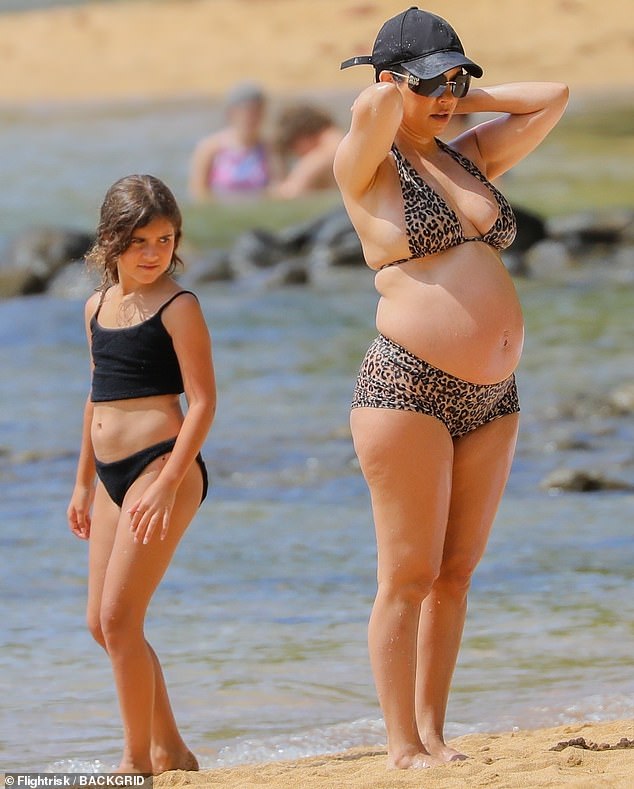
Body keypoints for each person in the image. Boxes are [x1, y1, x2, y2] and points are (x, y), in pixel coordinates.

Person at [334, 7, 568, 771]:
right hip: (406, 385)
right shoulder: (366, 164)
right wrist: (403, 88)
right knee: (405, 574)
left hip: (492, 396)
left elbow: (553, 95)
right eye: (432, 80)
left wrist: (456, 99)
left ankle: (434, 730)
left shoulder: (466, 157)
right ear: (391, 80)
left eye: (456, 77)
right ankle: (401, 744)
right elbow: (370, 107)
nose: (447, 93)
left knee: (455, 575)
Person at [67, 175, 216, 774]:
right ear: (111, 241)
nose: (154, 253)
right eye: (140, 242)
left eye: (164, 239)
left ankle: (136, 765)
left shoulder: (179, 307)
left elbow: (203, 403)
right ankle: (172, 749)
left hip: (162, 468)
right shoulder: (96, 308)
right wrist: (81, 482)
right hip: (107, 476)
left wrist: (169, 480)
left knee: (120, 620)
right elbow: (95, 398)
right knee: (101, 625)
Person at [189, 82, 273, 200]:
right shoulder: (209, 148)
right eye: (248, 111)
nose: (252, 118)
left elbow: (278, 189)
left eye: (257, 112)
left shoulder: (270, 148)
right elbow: (198, 193)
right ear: (232, 112)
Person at [270, 104, 343, 199]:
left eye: (293, 147)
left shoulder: (324, 153)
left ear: (301, 138)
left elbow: (289, 193)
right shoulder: (342, 141)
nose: (297, 155)